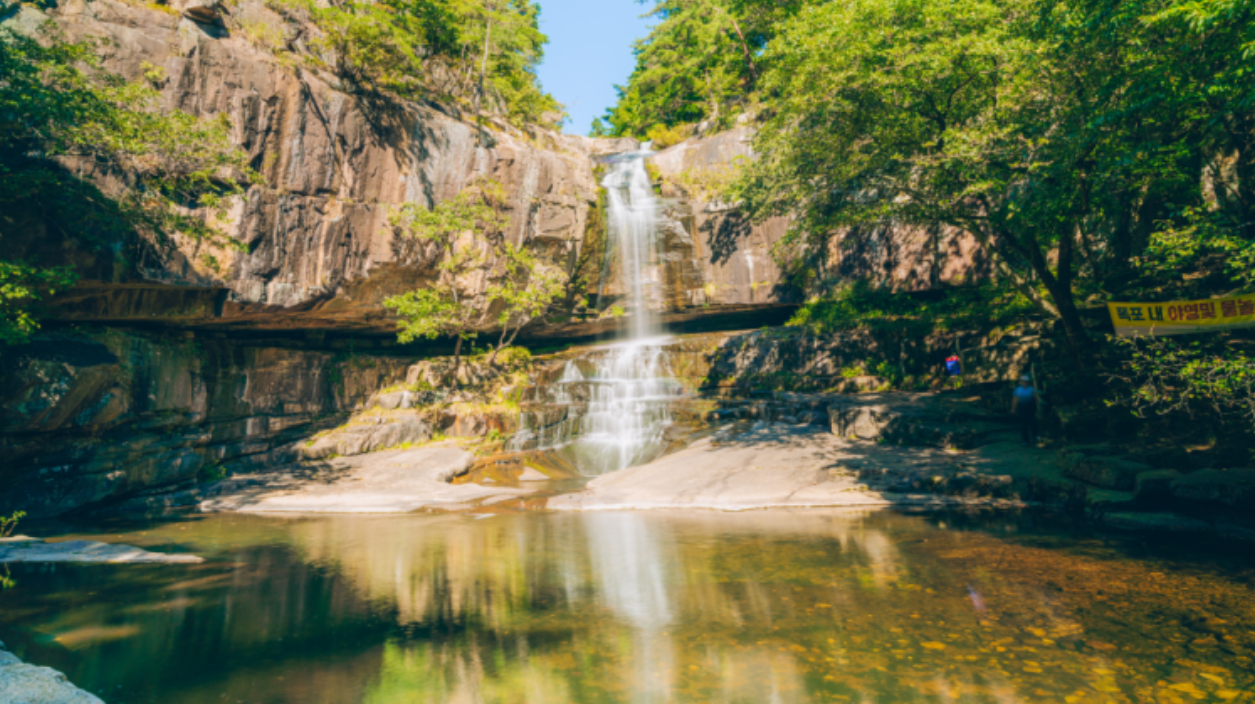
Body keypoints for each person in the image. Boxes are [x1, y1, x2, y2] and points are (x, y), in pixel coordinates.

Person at [1011, 374, 1038, 447]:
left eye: (1026, 382)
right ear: (1020, 382)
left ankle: (1035, 437)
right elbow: (1015, 399)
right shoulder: (1017, 389)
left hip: (1031, 407)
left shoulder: (1031, 389)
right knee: (1023, 424)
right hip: (1022, 408)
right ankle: (1025, 440)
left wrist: (1037, 407)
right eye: (1023, 381)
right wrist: (1014, 408)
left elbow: (1035, 398)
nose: (1024, 383)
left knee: (1033, 422)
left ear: (1028, 382)